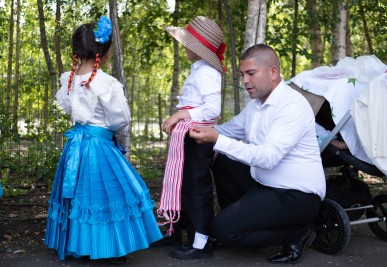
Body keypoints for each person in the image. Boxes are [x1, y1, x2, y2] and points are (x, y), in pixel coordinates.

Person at [189, 44, 326, 264]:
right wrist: (189, 126)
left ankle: (297, 233)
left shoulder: (292, 105)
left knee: (221, 230)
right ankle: (240, 222)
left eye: (251, 73)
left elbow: (268, 157)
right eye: (242, 74)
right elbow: (226, 131)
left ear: (273, 72)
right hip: (264, 184)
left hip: (296, 195)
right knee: (221, 157)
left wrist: (216, 139)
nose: (244, 81)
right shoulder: (256, 106)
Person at [44, 16, 162, 262]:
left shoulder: (69, 79)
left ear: (75, 51)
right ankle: (106, 247)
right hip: (99, 147)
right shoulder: (107, 83)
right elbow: (121, 119)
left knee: (79, 195)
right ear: (105, 53)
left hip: (75, 146)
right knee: (106, 193)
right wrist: (106, 132)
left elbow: (68, 108)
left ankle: (81, 244)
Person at [152, 16, 226, 260]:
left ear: (199, 49)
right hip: (188, 136)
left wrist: (182, 113)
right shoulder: (199, 70)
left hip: (198, 138)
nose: (183, 47)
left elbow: (212, 108)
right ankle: (177, 230)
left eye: (187, 44)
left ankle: (201, 242)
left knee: (197, 189)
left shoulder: (207, 73)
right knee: (180, 184)